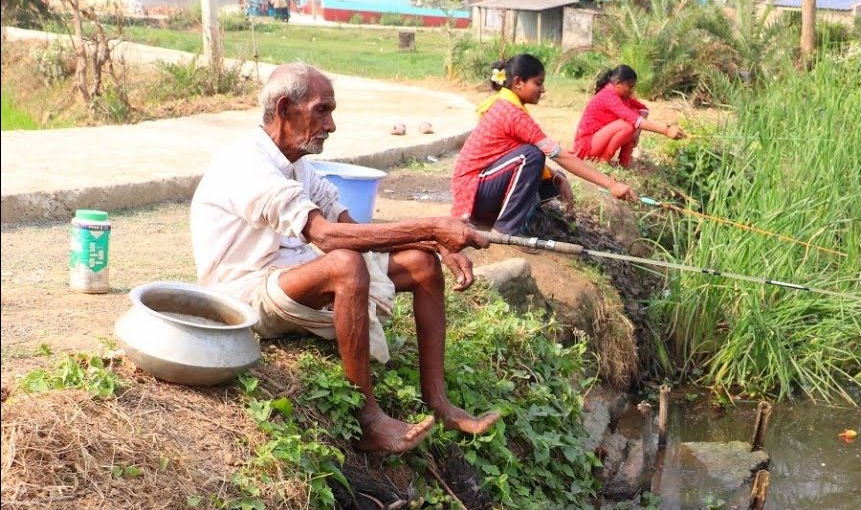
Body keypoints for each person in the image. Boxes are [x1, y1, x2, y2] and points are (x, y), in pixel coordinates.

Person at [191, 62, 498, 454]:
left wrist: (433, 244)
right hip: (242, 294)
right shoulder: (247, 164)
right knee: (346, 265)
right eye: (322, 110)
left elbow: (347, 223)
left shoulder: (297, 165)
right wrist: (430, 227)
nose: (331, 125)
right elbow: (327, 236)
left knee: (420, 264)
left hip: (291, 276)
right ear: (285, 109)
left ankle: (438, 401)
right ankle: (368, 420)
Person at [451, 54, 638, 236]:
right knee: (532, 156)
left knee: (551, 176)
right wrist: (611, 184)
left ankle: (518, 219)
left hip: (484, 186)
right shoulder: (512, 113)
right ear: (518, 83)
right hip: (473, 190)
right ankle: (504, 230)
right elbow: (558, 155)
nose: (543, 89)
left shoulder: (509, 106)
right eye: (538, 83)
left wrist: (557, 177)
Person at [573, 65, 685, 169]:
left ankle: (624, 162)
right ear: (618, 84)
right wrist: (666, 130)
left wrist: (637, 132)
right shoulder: (608, 96)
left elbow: (643, 109)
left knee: (634, 115)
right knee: (627, 125)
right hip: (587, 145)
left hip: (598, 141)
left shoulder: (622, 95)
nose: (632, 91)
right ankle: (603, 161)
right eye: (630, 86)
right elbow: (634, 120)